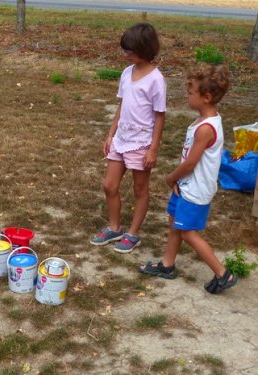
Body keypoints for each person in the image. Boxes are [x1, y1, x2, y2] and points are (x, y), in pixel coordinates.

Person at [139, 63, 237, 294]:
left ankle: (223, 274)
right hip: (185, 186)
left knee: (187, 232)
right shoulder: (204, 121)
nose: (186, 95)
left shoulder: (206, 128)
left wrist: (171, 177)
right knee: (175, 222)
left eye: (190, 92)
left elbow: (191, 163)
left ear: (207, 96)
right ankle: (167, 264)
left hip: (195, 190)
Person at [90, 23, 166, 253]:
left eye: (130, 50)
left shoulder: (156, 80)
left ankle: (133, 234)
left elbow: (160, 117)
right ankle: (115, 227)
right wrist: (110, 134)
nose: (126, 54)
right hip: (121, 139)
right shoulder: (126, 73)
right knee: (109, 185)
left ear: (144, 49)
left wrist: (153, 149)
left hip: (141, 143)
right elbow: (121, 106)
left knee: (140, 189)